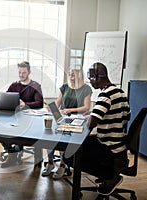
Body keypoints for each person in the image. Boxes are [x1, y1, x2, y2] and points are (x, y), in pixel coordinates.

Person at [63, 62, 131, 195]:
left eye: (90, 78)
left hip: (108, 146)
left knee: (69, 153)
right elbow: (126, 116)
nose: (89, 81)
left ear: (96, 77)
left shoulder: (105, 95)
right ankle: (108, 174)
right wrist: (95, 113)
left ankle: (110, 176)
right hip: (119, 144)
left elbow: (90, 124)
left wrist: (91, 117)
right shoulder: (120, 92)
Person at [42, 69, 92, 179]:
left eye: (73, 75)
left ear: (79, 76)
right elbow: (58, 103)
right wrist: (50, 107)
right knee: (49, 136)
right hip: (63, 117)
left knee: (63, 139)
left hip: (78, 119)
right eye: (69, 75)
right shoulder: (65, 87)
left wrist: (70, 110)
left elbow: (86, 107)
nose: (71, 77)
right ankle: (50, 163)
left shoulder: (86, 88)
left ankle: (63, 165)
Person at [1, 61, 44, 168]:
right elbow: (6, 98)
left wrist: (25, 104)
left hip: (30, 118)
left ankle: (36, 156)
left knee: (32, 133)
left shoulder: (35, 85)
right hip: (15, 117)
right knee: (1, 131)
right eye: (19, 72)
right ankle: (12, 155)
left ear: (29, 72)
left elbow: (40, 103)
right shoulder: (14, 85)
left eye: (24, 72)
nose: (21, 75)